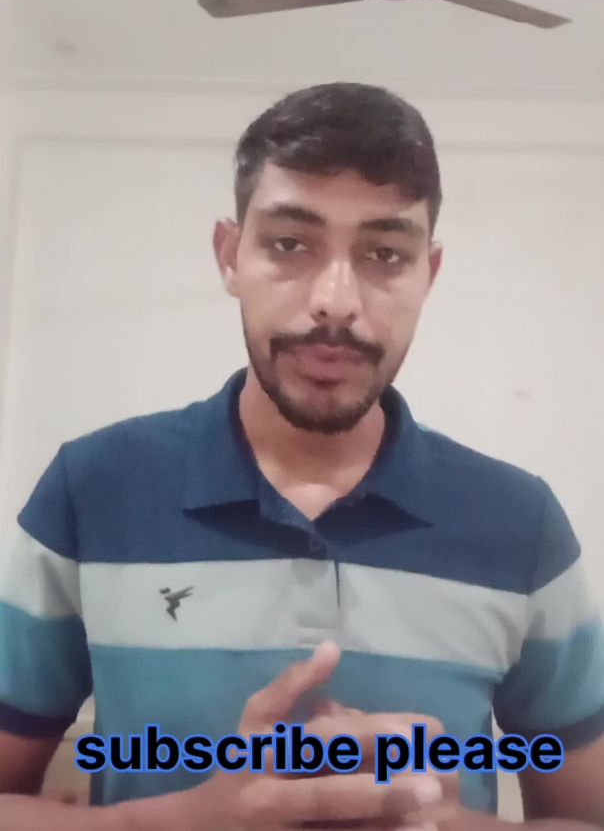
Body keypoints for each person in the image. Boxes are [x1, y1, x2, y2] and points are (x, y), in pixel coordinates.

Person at [0, 82, 603, 831]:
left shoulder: (521, 524)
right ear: (230, 256)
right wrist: (185, 821)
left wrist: (446, 824)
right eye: (290, 244)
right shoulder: (92, 489)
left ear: (429, 274)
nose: (336, 300)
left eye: (385, 253)